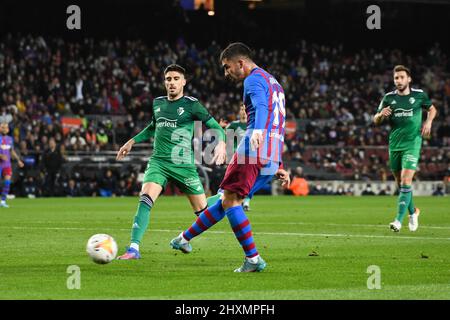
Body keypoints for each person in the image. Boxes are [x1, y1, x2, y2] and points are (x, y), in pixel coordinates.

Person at [170, 43, 289, 272]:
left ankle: (253, 259)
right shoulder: (274, 82)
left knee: (231, 201)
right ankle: (183, 239)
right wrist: (278, 162)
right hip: (271, 154)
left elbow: (261, 107)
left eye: (227, 67)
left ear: (240, 63)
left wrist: (255, 132)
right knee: (227, 199)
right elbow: (278, 119)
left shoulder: (252, 79)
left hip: (252, 150)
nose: (226, 73)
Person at [116, 64, 226, 260]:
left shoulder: (192, 105)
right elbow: (152, 127)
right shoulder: (157, 103)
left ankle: (224, 197)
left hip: (183, 164)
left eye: (176, 79)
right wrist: (132, 141)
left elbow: (215, 126)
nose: (172, 83)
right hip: (159, 162)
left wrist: (222, 143)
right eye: (168, 79)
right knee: (145, 199)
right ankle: (133, 248)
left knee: (203, 213)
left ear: (184, 82)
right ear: (164, 82)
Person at [374, 65, 437, 232]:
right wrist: (381, 115)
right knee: (401, 185)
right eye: (396, 78)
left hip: (412, 143)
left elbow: (432, 109)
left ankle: (398, 221)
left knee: (406, 181)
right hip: (394, 145)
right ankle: (414, 211)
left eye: (402, 77)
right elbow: (375, 120)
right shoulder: (388, 98)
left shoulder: (419, 95)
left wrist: (428, 121)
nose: (399, 80)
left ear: (409, 79)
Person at [0, 123, 24, 207]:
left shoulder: (10, 139)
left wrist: (18, 160)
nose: (4, 129)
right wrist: (1, 155)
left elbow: (12, 151)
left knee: (7, 182)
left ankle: (2, 201)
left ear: (8, 129)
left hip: (7, 164)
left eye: (6, 127)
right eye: (2, 127)